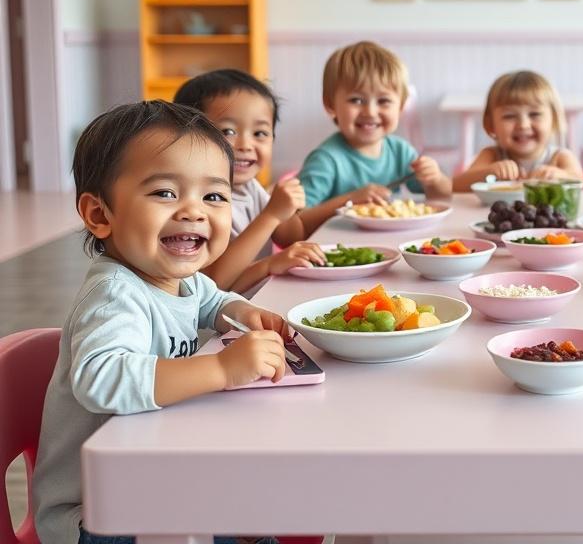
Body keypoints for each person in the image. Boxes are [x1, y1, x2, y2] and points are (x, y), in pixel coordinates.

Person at [33, 100, 294, 544]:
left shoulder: (183, 279)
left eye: (213, 196)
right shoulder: (116, 295)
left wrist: (244, 312)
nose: (194, 211)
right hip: (100, 513)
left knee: (257, 512)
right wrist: (220, 370)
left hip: (156, 474)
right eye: (165, 193)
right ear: (100, 215)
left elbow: (213, 300)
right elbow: (101, 378)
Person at [174, 70, 324, 294]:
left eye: (260, 133)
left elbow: (290, 236)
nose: (245, 145)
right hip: (218, 326)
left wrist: (287, 207)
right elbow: (216, 284)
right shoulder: (196, 203)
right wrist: (271, 221)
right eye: (228, 131)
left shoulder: (250, 187)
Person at [285, 41, 452, 242]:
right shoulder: (326, 160)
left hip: (391, 245)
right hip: (340, 254)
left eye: (383, 101)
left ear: (400, 106)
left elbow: (441, 197)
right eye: (356, 100)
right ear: (330, 104)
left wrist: (435, 179)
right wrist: (350, 200)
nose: (370, 112)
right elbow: (297, 223)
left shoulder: (399, 151)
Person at [452, 70, 583, 192]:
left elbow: (582, 183)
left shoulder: (560, 157)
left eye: (534, 114)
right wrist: (489, 172)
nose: (523, 125)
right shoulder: (492, 155)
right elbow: (456, 186)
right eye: (509, 116)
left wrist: (558, 175)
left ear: (554, 121)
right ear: (491, 125)